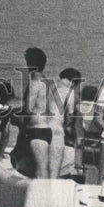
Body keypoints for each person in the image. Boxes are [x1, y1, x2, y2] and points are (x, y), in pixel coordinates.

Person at [21, 46, 63, 179]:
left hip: (36, 131)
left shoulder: (34, 81)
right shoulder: (48, 82)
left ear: (29, 64)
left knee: (40, 171)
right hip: (48, 129)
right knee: (47, 171)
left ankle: (41, 198)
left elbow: (28, 109)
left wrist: (12, 111)